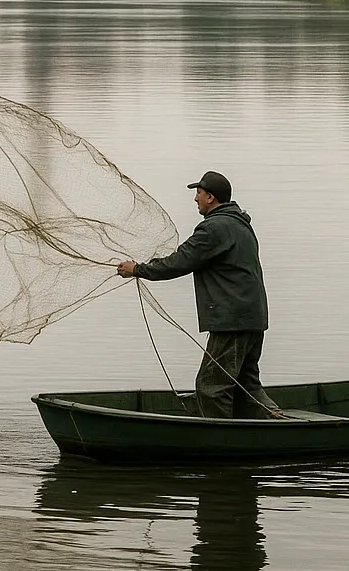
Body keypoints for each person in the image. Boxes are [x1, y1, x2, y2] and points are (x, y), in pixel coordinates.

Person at [117, 170, 277, 419]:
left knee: (211, 387)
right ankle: (279, 427)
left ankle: (223, 442)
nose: (195, 199)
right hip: (253, 318)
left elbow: (178, 262)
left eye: (199, 193)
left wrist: (137, 269)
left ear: (211, 197)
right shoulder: (240, 224)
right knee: (248, 386)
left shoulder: (213, 229)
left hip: (231, 321)